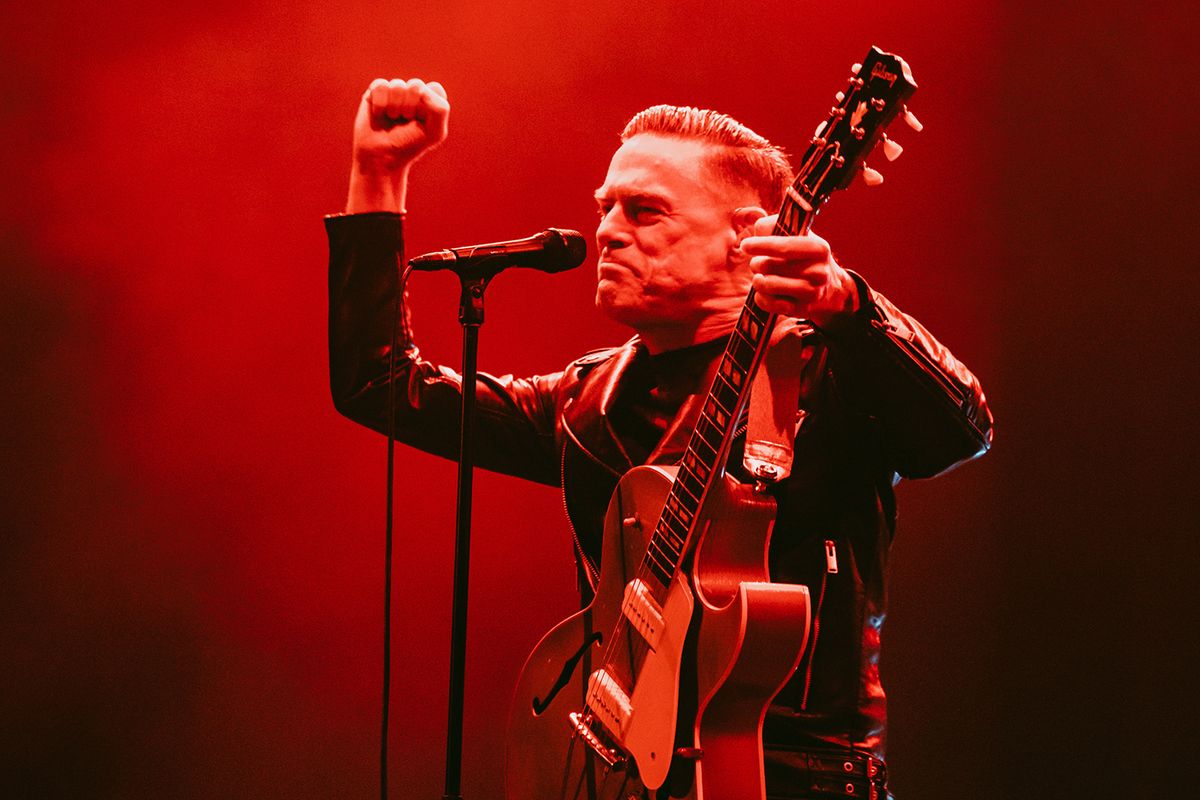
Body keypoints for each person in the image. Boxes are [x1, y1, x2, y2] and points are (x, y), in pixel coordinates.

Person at [327, 77, 992, 800]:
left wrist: (851, 304)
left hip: (796, 778)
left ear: (748, 235)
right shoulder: (584, 402)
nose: (609, 230)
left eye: (645, 211)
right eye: (605, 208)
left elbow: (961, 430)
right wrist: (378, 173)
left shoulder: (828, 370)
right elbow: (384, 388)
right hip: (609, 768)